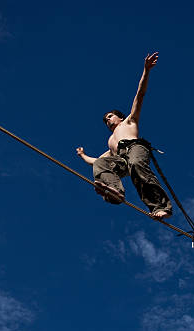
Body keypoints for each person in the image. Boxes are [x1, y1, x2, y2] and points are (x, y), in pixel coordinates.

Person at [76, 52, 172, 219]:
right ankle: (115, 192)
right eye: (106, 120)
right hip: (121, 159)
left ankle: (160, 207)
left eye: (110, 116)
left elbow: (139, 95)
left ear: (120, 117)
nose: (108, 120)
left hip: (135, 149)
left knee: (136, 166)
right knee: (100, 164)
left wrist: (146, 71)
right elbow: (96, 161)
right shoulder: (111, 141)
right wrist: (83, 155)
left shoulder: (129, 122)